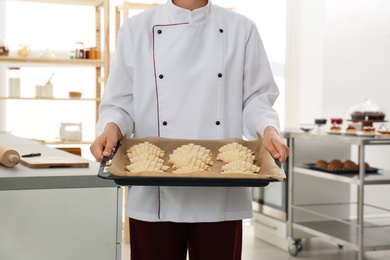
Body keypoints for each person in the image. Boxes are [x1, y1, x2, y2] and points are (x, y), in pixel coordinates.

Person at [90, 0, 289, 259]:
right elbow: (121, 103)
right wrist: (112, 128)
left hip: (222, 192)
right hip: (153, 191)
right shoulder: (136, 29)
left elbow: (256, 100)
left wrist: (269, 128)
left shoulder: (241, 29)